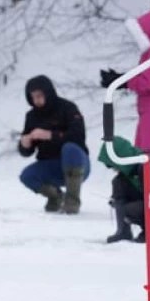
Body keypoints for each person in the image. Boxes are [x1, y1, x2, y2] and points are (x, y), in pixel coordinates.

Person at [100, 10, 150, 154]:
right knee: (141, 153)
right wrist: (120, 78)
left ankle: (149, 177)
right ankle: (143, 176)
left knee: (148, 155)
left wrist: (122, 81)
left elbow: (146, 82)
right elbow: (144, 75)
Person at [17, 75, 91, 214]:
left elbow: (78, 136)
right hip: (51, 166)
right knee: (26, 176)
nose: (36, 100)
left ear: (48, 93)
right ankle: (55, 196)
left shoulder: (68, 108)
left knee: (70, 149)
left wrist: (50, 135)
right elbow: (27, 151)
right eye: (33, 97)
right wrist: (25, 144)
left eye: (39, 96)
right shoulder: (31, 116)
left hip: (77, 164)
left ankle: (72, 201)